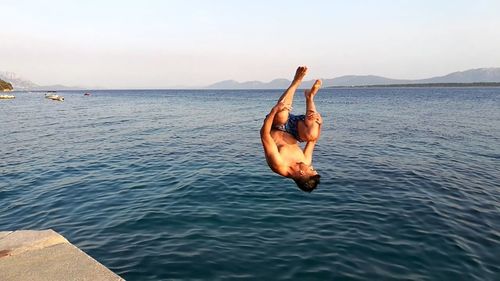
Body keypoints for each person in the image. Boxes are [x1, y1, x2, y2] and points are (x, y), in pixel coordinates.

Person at [260, 66, 323, 192]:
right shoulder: (306, 161)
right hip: (294, 130)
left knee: (282, 113)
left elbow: (264, 134)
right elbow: (313, 140)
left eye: (311, 170)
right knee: (313, 133)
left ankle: (295, 82)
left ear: (301, 174)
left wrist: (274, 110)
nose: (311, 167)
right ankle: (310, 97)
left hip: (275, 125)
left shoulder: (279, 164)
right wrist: (320, 123)